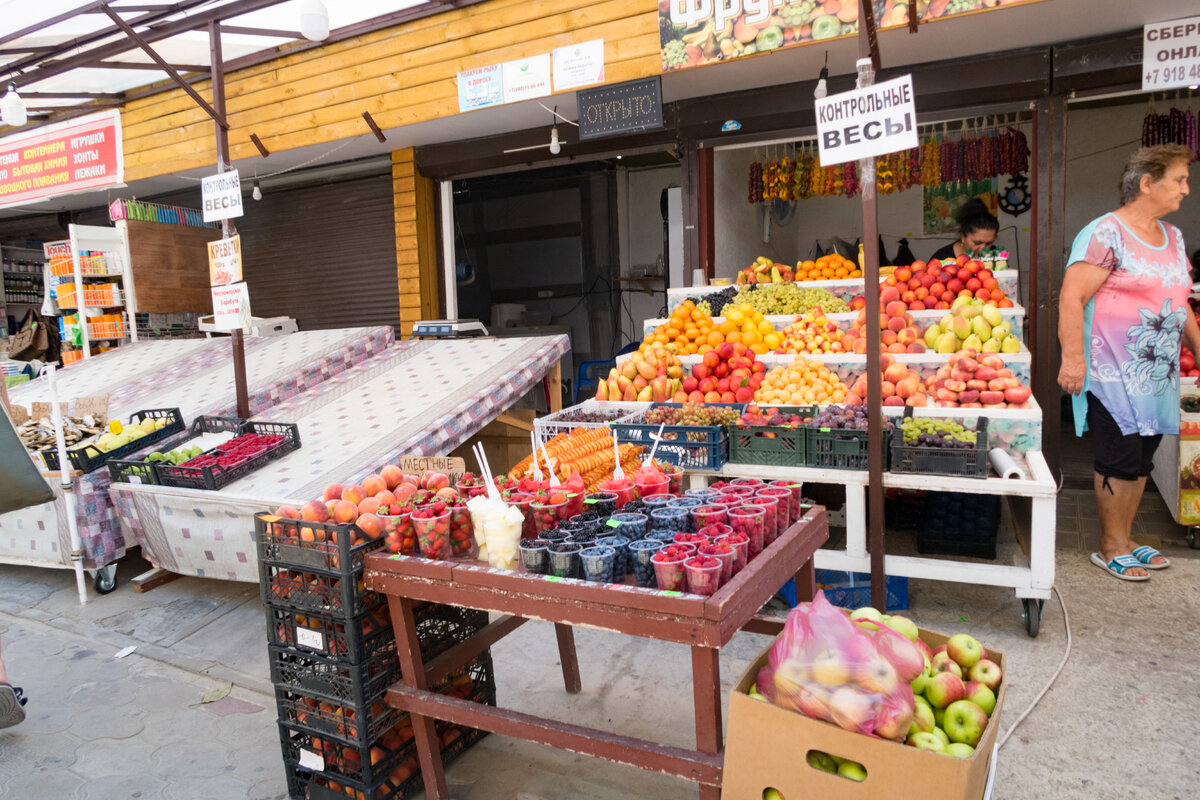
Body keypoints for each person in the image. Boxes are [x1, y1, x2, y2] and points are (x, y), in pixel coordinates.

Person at [1058, 144, 1195, 581]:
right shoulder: (1105, 233)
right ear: (1147, 183)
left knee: (1142, 458)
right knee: (1118, 456)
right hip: (1111, 369)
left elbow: (1180, 301)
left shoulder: (1173, 238)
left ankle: (1127, 536)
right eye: (1179, 179)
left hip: (1158, 372)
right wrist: (1073, 360)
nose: (1186, 189)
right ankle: (1110, 543)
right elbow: (1071, 297)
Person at [928, 198, 999, 262]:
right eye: (977, 243)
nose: (983, 249)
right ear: (963, 236)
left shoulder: (996, 257)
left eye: (989, 243)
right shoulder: (942, 258)